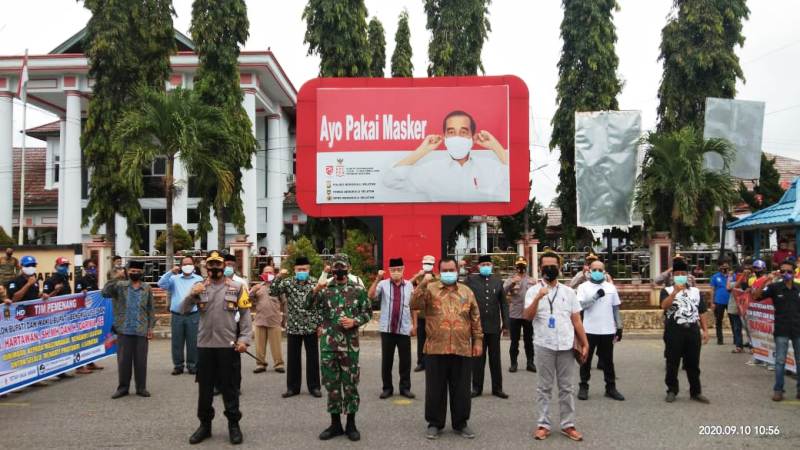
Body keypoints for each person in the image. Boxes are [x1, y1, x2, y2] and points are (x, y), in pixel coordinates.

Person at [182, 250, 252, 445]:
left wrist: (244, 339)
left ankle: (234, 425)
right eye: (210, 264)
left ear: (224, 265)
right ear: (206, 266)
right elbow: (184, 310)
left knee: (230, 388)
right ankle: (205, 425)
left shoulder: (237, 287)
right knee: (205, 390)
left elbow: (245, 315)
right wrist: (191, 294)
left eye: (218, 264)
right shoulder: (199, 287)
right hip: (205, 346)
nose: (214, 267)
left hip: (228, 346)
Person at [412, 257, 483, 440]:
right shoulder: (430, 288)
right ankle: (435, 423)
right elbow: (414, 304)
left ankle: (461, 423)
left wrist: (478, 341)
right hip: (436, 348)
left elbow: (475, 317)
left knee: (461, 389)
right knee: (435, 389)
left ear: (457, 271)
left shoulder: (467, 291)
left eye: (452, 269)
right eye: (445, 270)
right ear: (439, 271)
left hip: (461, 348)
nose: (449, 273)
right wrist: (421, 284)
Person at [523, 250, 588, 442]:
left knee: (566, 387)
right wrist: (538, 298)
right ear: (540, 268)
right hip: (544, 344)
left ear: (559, 268)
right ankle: (543, 424)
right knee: (544, 387)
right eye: (545, 267)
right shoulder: (533, 291)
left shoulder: (569, 292)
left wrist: (585, 342)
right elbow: (527, 317)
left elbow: (576, 320)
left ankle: (568, 425)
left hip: (566, 345)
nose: (549, 269)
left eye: (553, 266)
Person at [306, 254, 371, 442]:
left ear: (349, 268)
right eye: (336, 267)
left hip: (350, 347)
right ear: (331, 269)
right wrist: (316, 287)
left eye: (342, 266)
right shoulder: (325, 289)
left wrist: (355, 321)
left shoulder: (358, 289)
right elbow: (307, 305)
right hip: (329, 345)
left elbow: (367, 312)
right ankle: (335, 424)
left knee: (350, 385)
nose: (339, 270)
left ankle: (351, 424)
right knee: (332, 385)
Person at [384, 110, 510, 202]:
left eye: (463, 132)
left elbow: (515, 182)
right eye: (451, 132)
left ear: (472, 137)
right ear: (444, 137)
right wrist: (422, 151)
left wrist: (496, 147)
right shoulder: (431, 171)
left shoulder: (489, 167)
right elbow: (390, 180)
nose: (457, 137)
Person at [270, 256, 322, 398]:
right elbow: (272, 292)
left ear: (309, 269)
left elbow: (320, 305)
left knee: (313, 358)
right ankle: (292, 388)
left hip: (310, 326)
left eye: (304, 269)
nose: (302, 271)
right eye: (299, 269)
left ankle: (314, 387)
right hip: (293, 325)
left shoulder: (315, 282)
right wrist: (279, 276)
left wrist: (320, 324)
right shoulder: (288, 282)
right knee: (293, 359)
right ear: (294, 270)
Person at [102, 260, 155, 399]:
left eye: (138, 271)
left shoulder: (147, 288)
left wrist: (150, 327)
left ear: (142, 272)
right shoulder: (120, 286)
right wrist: (116, 277)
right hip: (123, 329)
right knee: (124, 361)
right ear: (127, 271)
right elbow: (104, 293)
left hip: (141, 329)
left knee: (141, 362)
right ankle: (123, 388)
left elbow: (150, 309)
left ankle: (141, 388)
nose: (135, 273)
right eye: (132, 271)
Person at [661, 257, 710, 404]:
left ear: (687, 275)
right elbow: (664, 306)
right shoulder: (667, 290)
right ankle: (671, 390)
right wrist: (674, 293)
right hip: (674, 330)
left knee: (693, 363)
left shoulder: (695, 291)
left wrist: (705, 330)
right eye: (677, 273)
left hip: (692, 331)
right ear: (673, 275)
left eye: (683, 273)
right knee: (672, 362)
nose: (680, 276)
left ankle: (696, 392)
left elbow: (701, 311)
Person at [576, 259, 625, 402]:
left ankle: (611, 388)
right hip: (589, 330)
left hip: (608, 329)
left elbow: (615, 308)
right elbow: (581, 306)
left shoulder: (610, 287)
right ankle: (583, 386)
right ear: (589, 271)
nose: (597, 272)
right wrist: (596, 296)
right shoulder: (583, 287)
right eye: (594, 270)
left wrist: (619, 327)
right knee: (586, 360)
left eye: (600, 270)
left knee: (608, 361)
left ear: (604, 272)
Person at [752, 260, 800, 402]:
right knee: (779, 361)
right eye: (783, 271)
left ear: (794, 272)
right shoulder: (774, 287)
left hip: (798, 330)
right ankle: (778, 390)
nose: (786, 274)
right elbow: (756, 296)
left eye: (789, 271)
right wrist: (767, 279)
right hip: (782, 330)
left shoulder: (798, 288)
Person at [369, 258, 415, 399]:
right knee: (387, 360)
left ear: (403, 270)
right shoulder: (383, 284)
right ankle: (387, 388)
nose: (396, 272)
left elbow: (413, 306)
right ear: (389, 271)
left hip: (404, 328)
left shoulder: (409, 285)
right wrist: (377, 278)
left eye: (399, 270)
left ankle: (405, 388)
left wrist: (415, 325)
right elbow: (370, 295)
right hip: (387, 329)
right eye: (393, 270)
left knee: (405, 361)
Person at [467, 255, 509, 399]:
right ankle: (476, 388)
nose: (486, 266)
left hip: (494, 326)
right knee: (477, 359)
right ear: (478, 267)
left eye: (488, 264)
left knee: (495, 359)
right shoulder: (471, 280)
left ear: (491, 266)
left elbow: (503, 303)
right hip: (477, 326)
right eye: (483, 264)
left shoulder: (497, 281)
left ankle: (497, 388)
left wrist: (506, 324)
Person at [158, 255, 204, 376]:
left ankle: (192, 365)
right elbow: (161, 284)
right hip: (177, 315)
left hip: (193, 314)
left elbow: (203, 295)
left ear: (193, 265)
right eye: (184, 264)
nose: (187, 266)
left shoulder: (198, 278)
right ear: (181, 266)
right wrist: (170, 272)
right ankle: (178, 365)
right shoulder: (174, 278)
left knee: (193, 341)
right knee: (177, 342)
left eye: (189, 264)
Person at [249, 265, 285, 374]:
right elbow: (249, 300)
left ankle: (279, 364)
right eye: (266, 272)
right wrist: (252, 291)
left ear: (274, 274)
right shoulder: (258, 287)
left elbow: (284, 302)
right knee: (259, 346)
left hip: (274, 320)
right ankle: (260, 364)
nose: (268, 274)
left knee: (276, 345)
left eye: (270, 272)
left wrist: (284, 318)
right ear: (262, 274)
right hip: (260, 320)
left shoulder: (278, 287)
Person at [504, 256, 536, 373]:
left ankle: (530, 363)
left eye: (523, 266)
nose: (521, 268)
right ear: (516, 267)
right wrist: (512, 283)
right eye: (519, 266)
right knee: (514, 341)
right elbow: (502, 292)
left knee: (529, 340)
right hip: (515, 314)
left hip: (528, 314)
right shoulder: (511, 279)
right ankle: (513, 363)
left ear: (526, 267)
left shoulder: (532, 280)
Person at [75, 259, 103, 373]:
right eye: (90, 267)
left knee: (91, 338)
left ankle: (90, 362)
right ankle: (79, 366)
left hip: (93, 314)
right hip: (83, 315)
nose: (93, 269)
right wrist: (82, 293)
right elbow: (76, 296)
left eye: (94, 267)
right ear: (85, 269)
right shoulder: (80, 280)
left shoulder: (93, 280)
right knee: (82, 339)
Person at [411, 255, 437, 372]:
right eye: (425, 263)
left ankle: (432, 363)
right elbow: (408, 289)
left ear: (433, 265)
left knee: (433, 340)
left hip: (433, 315)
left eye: (430, 264)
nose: (427, 265)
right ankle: (421, 362)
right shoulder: (418, 278)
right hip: (421, 314)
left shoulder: (437, 279)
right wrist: (414, 323)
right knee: (421, 340)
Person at [709, 260, 734, 345]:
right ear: (719, 267)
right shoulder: (715, 277)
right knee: (719, 321)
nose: (724, 268)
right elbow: (712, 290)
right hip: (719, 301)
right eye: (723, 266)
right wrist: (712, 302)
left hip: (730, 301)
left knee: (733, 320)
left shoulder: (732, 276)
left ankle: (736, 339)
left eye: (726, 266)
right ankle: (720, 340)